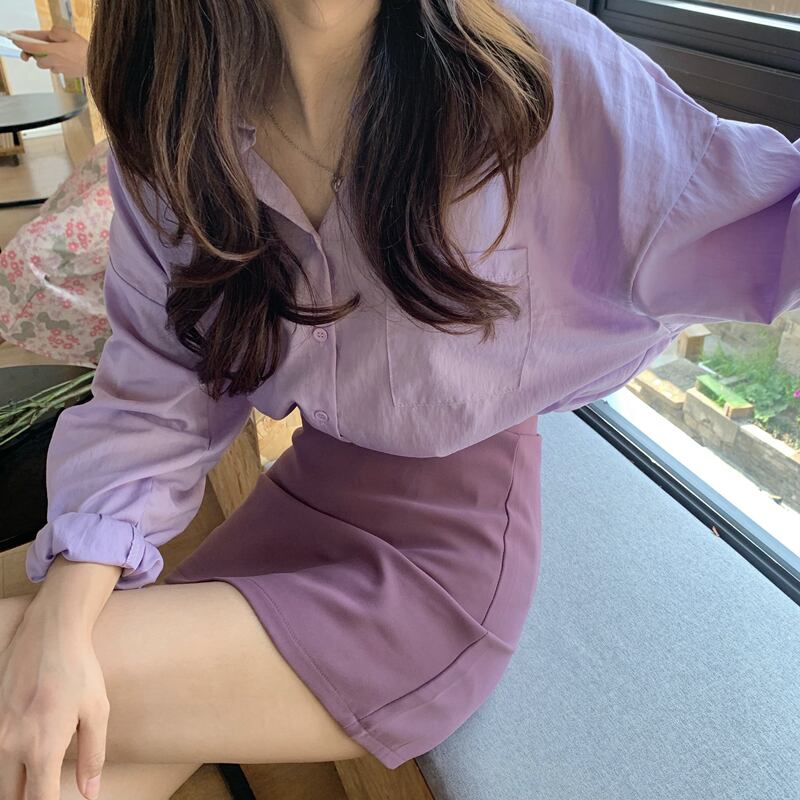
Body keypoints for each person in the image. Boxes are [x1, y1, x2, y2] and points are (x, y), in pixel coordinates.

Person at [0, 0, 798, 798]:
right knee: (44, 762)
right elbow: (163, 382)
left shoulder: (534, 65)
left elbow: (758, 221)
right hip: (302, 499)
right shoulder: (180, 115)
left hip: (438, 573)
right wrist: (66, 612)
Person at [0, 27, 112, 365]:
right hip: (136, 159)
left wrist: (95, 62)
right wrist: (94, 59)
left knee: (29, 257)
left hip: (182, 178)